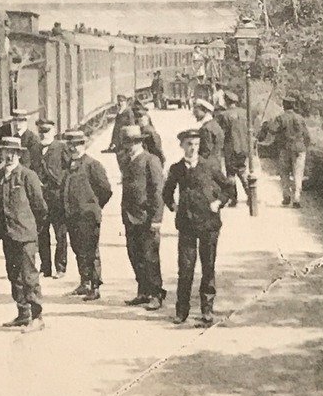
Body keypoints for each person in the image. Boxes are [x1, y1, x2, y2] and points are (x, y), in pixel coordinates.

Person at [162, 127, 238, 325]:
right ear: (182, 146)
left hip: (209, 224)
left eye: (196, 145)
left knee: (208, 266)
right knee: (185, 268)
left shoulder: (210, 166)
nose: (193, 148)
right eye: (189, 145)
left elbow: (228, 188)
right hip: (186, 224)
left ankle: (207, 309)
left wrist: (218, 202)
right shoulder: (176, 169)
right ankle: (181, 311)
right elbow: (167, 192)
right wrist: (173, 206)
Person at [0, 136, 48, 330]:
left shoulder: (27, 176)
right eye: (6, 152)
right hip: (8, 234)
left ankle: (37, 317)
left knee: (29, 275)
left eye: (13, 153)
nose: (9, 156)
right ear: (1, 154)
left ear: (19, 155)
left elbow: (40, 207)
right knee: (13, 274)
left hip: (25, 235)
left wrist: (32, 229)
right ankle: (23, 313)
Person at [62, 130, 113, 300]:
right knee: (78, 250)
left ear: (84, 144)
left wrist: (94, 206)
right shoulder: (70, 165)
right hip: (73, 216)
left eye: (77, 144)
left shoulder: (93, 165)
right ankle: (84, 283)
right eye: (71, 145)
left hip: (88, 216)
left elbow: (105, 189)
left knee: (91, 251)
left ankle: (95, 286)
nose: (74, 148)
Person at [122, 126, 167, 308]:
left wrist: (156, 219)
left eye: (133, 142)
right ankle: (143, 291)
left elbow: (158, 191)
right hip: (130, 217)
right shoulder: (128, 160)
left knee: (150, 257)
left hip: (146, 217)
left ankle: (156, 294)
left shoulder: (151, 160)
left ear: (140, 142)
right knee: (135, 255)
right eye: (127, 143)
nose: (130, 146)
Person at [37, 122, 70, 278]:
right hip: (41, 198)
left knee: (60, 234)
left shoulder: (61, 148)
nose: (44, 134)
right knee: (42, 234)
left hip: (57, 197)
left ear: (54, 131)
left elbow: (69, 169)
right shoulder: (36, 149)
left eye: (47, 131)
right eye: (41, 131)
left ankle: (60, 267)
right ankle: (45, 267)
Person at [268, 96, 311, 207]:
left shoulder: (280, 118)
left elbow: (272, 130)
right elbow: (307, 135)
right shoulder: (300, 118)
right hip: (299, 149)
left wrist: (268, 124)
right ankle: (297, 198)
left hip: (285, 148)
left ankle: (286, 197)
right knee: (298, 174)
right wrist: (305, 146)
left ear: (284, 105)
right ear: (294, 106)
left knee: (284, 173)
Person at [215, 91, 252, 205]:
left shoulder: (223, 115)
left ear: (226, 101)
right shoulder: (245, 113)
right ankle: (250, 195)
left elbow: (221, 133)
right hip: (244, 147)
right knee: (242, 170)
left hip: (230, 148)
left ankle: (233, 198)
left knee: (231, 174)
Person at [192, 98, 226, 174]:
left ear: (204, 111)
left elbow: (206, 151)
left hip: (208, 167)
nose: (194, 114)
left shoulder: (205, 129)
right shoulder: (215, 125)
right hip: (216, 163)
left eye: (196, 111)